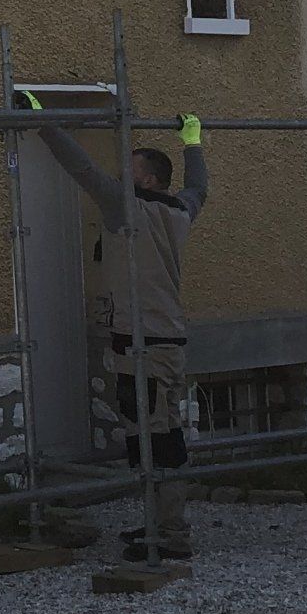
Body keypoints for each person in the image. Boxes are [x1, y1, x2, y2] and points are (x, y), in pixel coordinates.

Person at [24, 102, 207, 555]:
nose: (122, 176)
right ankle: (158, 525)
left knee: (157, 439)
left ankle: (171, 535)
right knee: (156, 433)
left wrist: (44, 122)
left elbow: (82, 168)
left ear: (149, 180)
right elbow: (198, 187)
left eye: (131, 170)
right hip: (162, 339)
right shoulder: (180, 210)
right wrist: (192, 143)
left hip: (146, 344)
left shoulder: (128, 208)